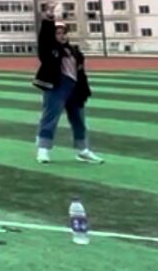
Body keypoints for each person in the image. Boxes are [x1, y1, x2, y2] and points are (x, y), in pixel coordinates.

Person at [33, 9, 104, 165]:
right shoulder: (49, 50)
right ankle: (43, 149)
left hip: (74, 88)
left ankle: (83, 150)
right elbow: (44, 39)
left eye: (63, 33)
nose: (62, 36)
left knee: (79, 120)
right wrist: (49, 18)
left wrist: (84, 91)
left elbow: (81, 73)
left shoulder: (74, 51)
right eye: (58, 33)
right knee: (50, 118)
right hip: (57, 87)